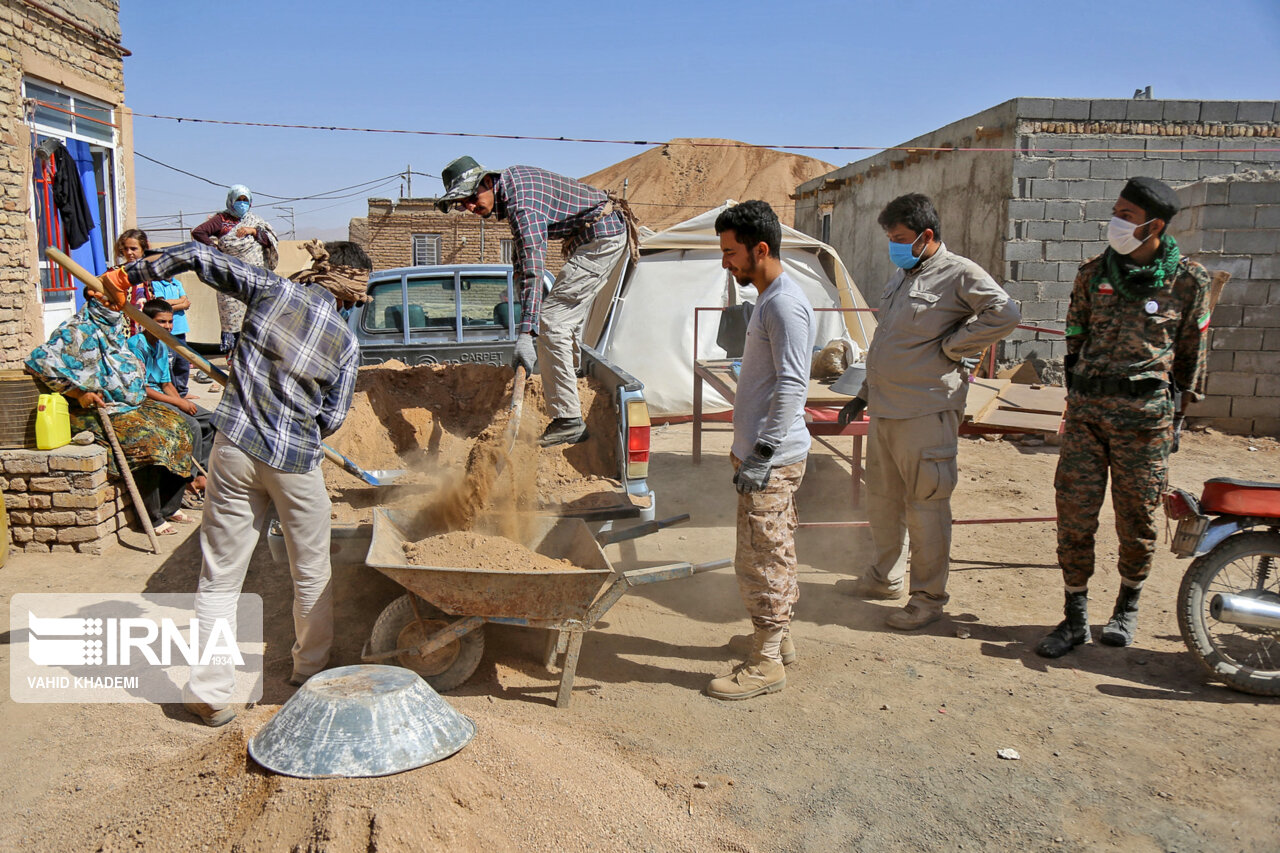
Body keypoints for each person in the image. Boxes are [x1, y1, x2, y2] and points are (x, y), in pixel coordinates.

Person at [118, 242, 358, 727]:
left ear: (319, 270)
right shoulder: (347, 344)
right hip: (296, 462)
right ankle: (308, 670)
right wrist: (294, 419)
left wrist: (132, 274)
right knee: (311, 570)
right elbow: (331, 418)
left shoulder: (272, 289)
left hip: (235, 451)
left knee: (221, 575)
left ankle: (209, 692)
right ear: (351, 293)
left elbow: (198, 256)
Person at [1036, 177, 1211, 659]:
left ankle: (1126, 608)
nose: (1115, 222)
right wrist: (1074, 400)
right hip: (1088, 416)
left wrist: (1176, 420)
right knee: (1074, 518)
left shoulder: (1189, 280)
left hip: (1144, 421)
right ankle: (1074, 618)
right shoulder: (1092, 274)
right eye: (1115, 211)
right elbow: (1075, 338)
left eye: (1125, 215)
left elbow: (1192, 356)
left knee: (1137, 521)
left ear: (1153, 225)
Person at [838, 193, 1020, 630]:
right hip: (886, 408)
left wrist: (954, 348)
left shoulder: (959, 273)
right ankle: (885, 577)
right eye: (889, 238)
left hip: (925, 411)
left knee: (926, 507)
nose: (893, 246)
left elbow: (1006, 312)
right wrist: (863, 394)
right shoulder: (904, 275)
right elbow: (890, 343)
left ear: (927, 236)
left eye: (900, 238)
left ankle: (927, 598)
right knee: (882, 502)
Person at [436, 156, 638, 446]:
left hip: (602, 237)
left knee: (552, 320)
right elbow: (521, 259)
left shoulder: (522, 204)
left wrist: (526, 333)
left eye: (471, 197)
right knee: (560, 316)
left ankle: (568, 419)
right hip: (594, 237)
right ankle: (571, 372)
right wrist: (523, 315)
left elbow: (534, 267)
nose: (470, 207)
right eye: (462, 203)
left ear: (488, 182)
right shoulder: (513, 192)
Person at [705, 201, 815, 701]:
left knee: (762, 556)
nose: (726, 262)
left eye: (731, 252)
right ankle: (778, 639)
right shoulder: (770, 300)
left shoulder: (783, 303)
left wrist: (763, 451)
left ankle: (767, 662)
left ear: (760, 249)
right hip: (761, 455)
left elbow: (794, 382)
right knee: (768, 547)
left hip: (770, 458)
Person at [25, 288, 197, 536]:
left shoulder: (115, 329)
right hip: (96, 409)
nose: (119, 307)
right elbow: (40, 361)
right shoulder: (77, 329)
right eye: (113, 302)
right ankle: (152, 516)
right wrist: (79, 393)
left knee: (180, 427)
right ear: (97, 300)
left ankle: (170, 506)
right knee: (150, 441)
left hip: (129, 404)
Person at [127, 298, 215, 506]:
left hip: (162, 395)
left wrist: (180, 401)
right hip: (145, 399)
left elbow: (166, 383)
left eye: (169, 322)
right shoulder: (136, 345)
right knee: (190, 425)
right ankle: (188, 479)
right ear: (145, 321)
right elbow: (143, 388)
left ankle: (203, 472)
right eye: (161, 322)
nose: (166, 326)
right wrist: (178, 404)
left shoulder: (162, 344)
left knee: (210, 420)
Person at [191, 184, 279, 356]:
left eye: (245, 200)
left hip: (255, 280)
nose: (242, 203)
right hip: (231, 279)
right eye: (238, 200)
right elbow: (199, 232)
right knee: (234, 322)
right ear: (231, 200)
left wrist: (253, 231)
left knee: (257, 318)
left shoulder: (256, 221)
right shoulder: (221, 219)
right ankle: (235, 361)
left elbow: (270, 240)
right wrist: (215, 247)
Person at [116, 229, 195, 398]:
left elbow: (160, 302)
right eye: (125, 249)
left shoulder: (152, 275)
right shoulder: (118, 274)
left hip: (148, 329)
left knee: (160, 368)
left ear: (144, 248)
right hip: (127, 331)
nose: (129, 253)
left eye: (133, 249)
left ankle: (172, 396)